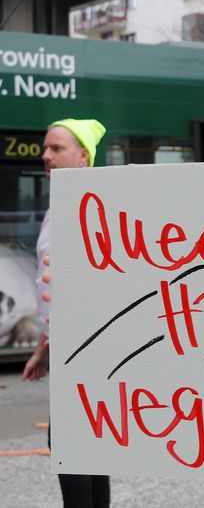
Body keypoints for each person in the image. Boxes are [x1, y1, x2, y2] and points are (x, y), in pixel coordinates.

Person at [22, 117, 111, 508]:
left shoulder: (93, 207)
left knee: (72, 444)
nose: (46, 156)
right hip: (66, 346)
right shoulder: (55, 208)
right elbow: (53, 287)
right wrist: (44, 344)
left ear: (82, 158)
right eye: (45, 149)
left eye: (56, 149)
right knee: (84, 446)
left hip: (87, 349)